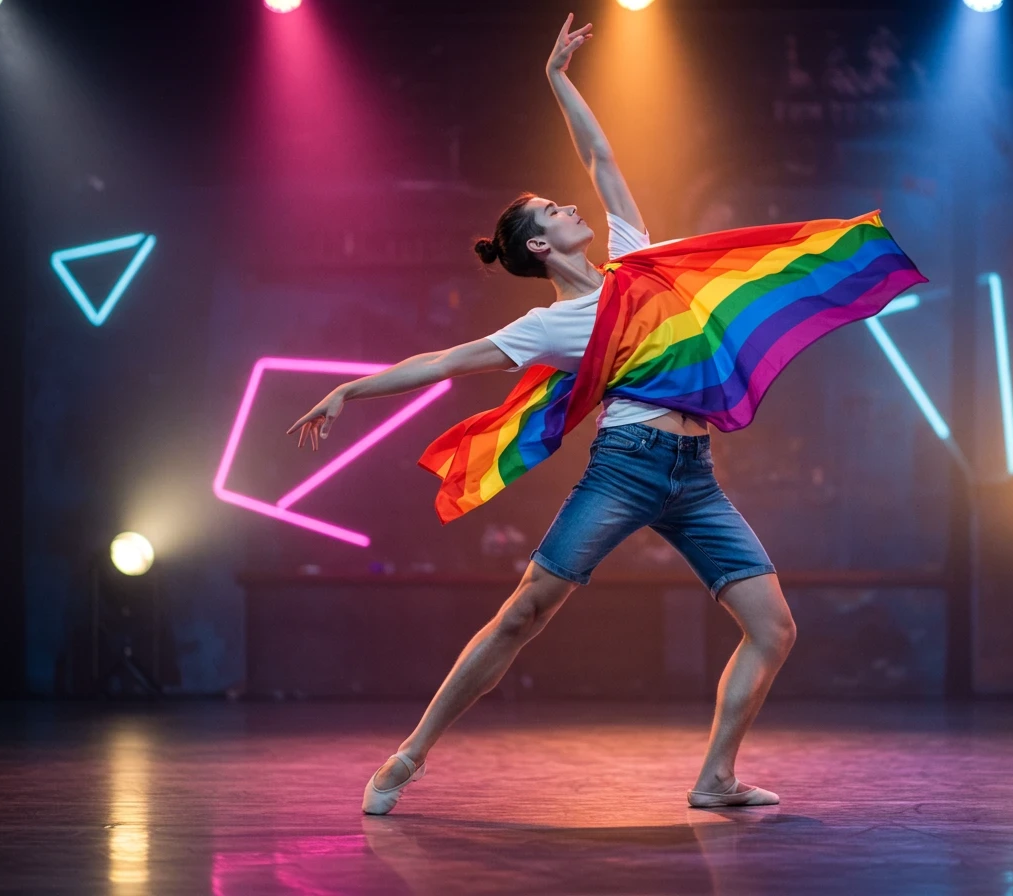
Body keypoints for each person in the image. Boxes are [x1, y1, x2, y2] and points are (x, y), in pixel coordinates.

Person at [287, 14, 794, 813]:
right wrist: (352, 388)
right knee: (523, 614)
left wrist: (558, 79)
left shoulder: (632, 254)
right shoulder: (547, 326)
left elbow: (600, 157)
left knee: (773, 629)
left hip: (695, 477)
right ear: (536, 247)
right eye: (554, 211)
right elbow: (447, 364)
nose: (571, 206)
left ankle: (715, 780)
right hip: (626, 468)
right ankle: (408, 758)